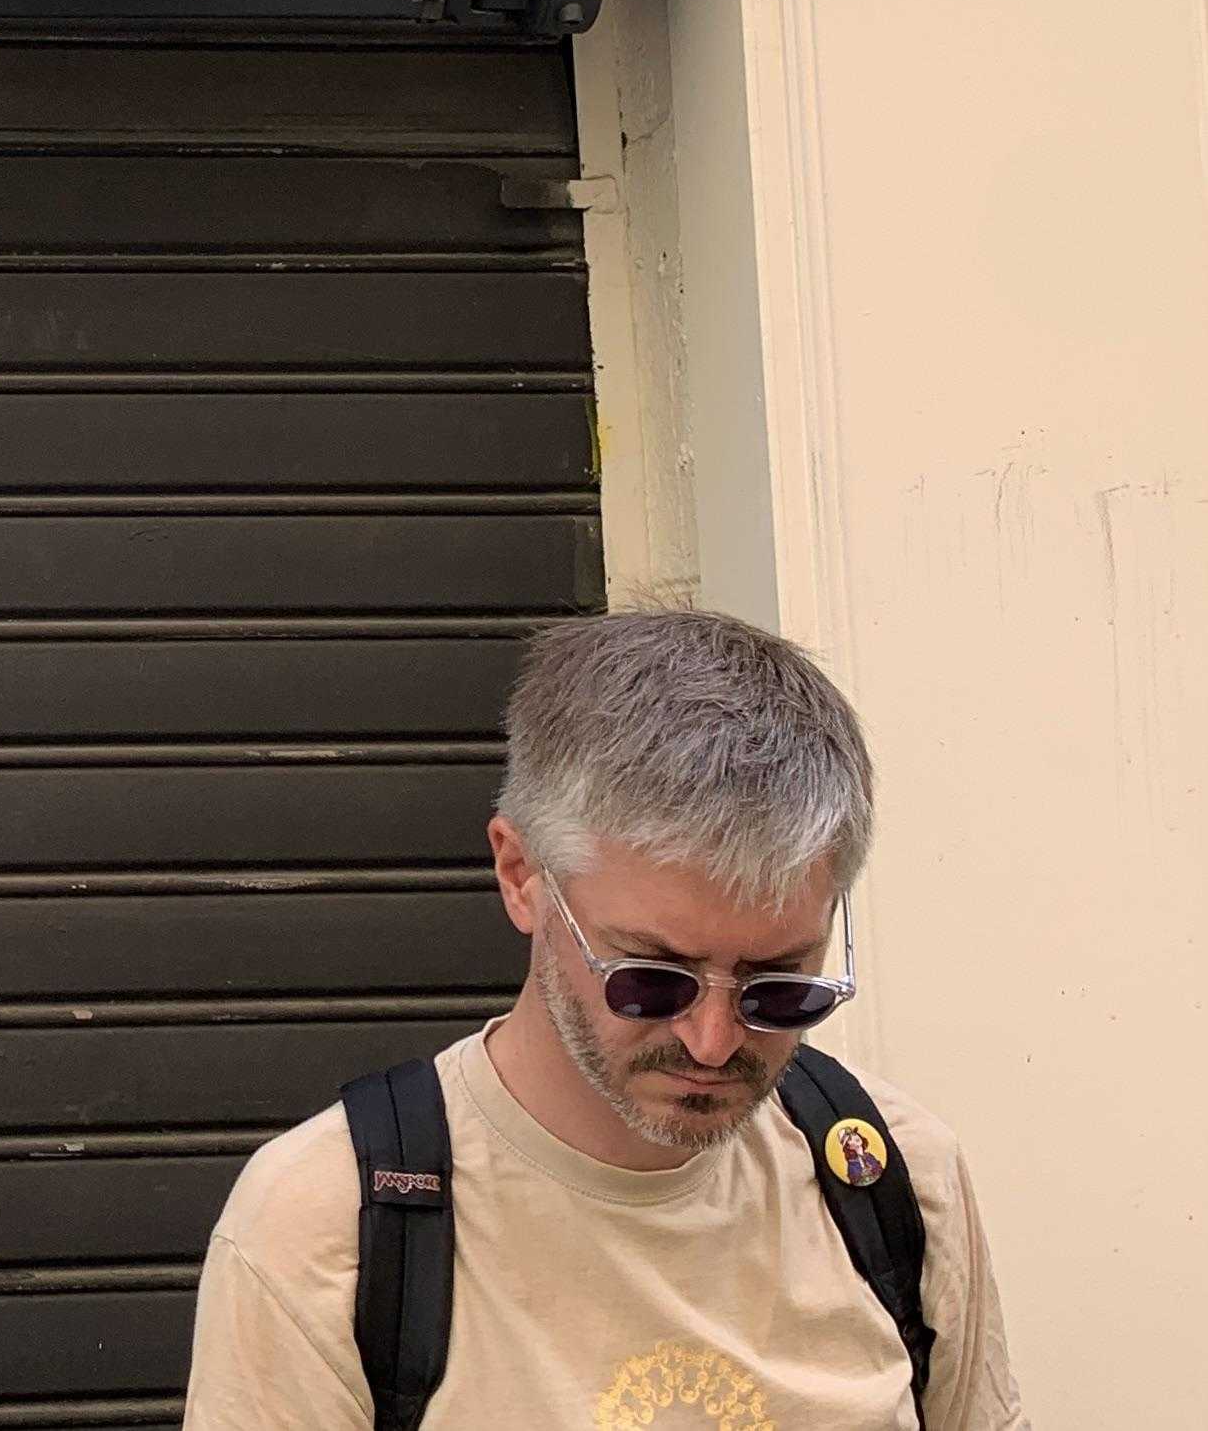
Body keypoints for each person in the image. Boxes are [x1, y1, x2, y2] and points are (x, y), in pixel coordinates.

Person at [180, 608, 1028, 1426]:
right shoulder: (328, 1225)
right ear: (521, 876)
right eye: (652, 979)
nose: (714, 1039)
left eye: (780, 988)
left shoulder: (893, 1180)